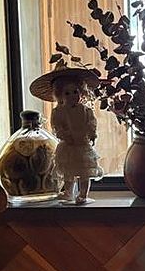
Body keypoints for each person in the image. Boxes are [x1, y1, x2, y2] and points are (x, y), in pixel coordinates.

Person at [29, 66, 103, 204]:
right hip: (68, 145)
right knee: (68, 171)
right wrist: (63, 135)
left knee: (84, 172)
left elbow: (91, 123)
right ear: (60, 95)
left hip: (82, 144)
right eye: (67, 93)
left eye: (75, 92)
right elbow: (57, 125)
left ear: (81, 92)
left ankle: (83, 194)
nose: (72, 96)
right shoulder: (59, 112)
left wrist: (92, 134)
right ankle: (68, 192)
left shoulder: (86, 110)